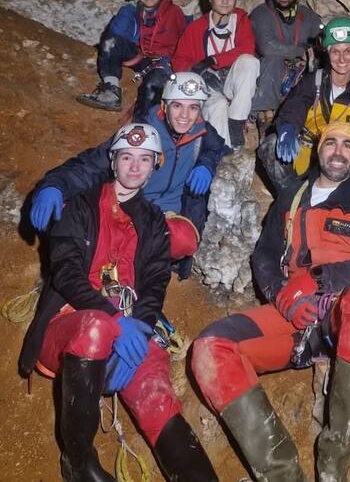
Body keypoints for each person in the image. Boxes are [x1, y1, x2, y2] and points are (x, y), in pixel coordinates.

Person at [190, 120, 350, 482]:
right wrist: (279, 294)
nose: (338, 151)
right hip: (294, 317)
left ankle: (334, 468)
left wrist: (319, 279)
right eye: (330, 143)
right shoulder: (291, 195)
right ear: (318, 150)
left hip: (339, 311)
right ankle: (283, 475)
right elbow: (264, 256)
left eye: (348, 146)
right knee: (210, 348)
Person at [19, 123, 218, 482]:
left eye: (144, 159)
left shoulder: (155, 222)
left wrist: (139, 331)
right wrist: (114, 318)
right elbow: (64, 272)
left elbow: (155, 283)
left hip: (128, 332)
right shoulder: (79, 207)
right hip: (70, 327)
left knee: (157, 400)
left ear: (156, 164)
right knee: (95, 328)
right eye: (126, 157)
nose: (135, 167)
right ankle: (77, 465)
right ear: (113, 162)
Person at [30, 72, 228, 278]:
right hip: (132, 208)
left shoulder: (202, 133)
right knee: (71, 214)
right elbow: (92, 165)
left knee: (182, 239)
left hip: (167, 216)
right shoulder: (142, 135)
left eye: (193, 107)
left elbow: (216, 147)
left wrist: (206, 164)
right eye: (177, 105)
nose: (185, 115)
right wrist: (55, 186)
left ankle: (139, 262)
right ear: (164, 106)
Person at [259, 16, 350, 192]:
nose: (342, 58)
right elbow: (295, 105)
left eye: (348, 51)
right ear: (327, 53)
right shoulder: (313, 81)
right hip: (311, 152)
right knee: (271, 145)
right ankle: (290, 198)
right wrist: (288, 128)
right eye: (335, 51)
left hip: (347, 155)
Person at [77, 0, 187, 116]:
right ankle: (112, 93)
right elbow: (115, 34)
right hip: (141, 57)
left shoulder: (175, 13)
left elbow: (187, 42)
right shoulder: (133, 11)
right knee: (110, 42)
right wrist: (129, 11)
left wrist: (175, 67)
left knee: (151, 85)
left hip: (164, 62)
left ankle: (145, 122)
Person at [172, 0, 259, 150]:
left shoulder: (241, 20)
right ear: (210, 0)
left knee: (250, 62)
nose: (225, 1)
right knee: (218, 105)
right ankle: (223, 150)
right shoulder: (196, 28)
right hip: (209, 85)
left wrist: (212, 60)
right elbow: (179, 59)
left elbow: (246, 48)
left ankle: (236, 121)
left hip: (233, 83)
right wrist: (199, 71)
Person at [249, 0, 322, 135]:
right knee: (272, 60)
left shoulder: (308, 15)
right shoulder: (260, 14)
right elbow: (267, 47)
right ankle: (265, 114)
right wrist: (300, 52)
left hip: (299, 75)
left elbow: (321, 40)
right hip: (269, 76)